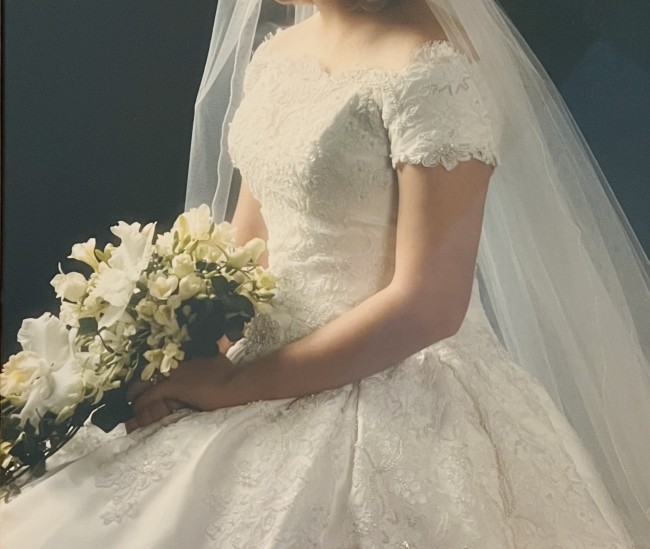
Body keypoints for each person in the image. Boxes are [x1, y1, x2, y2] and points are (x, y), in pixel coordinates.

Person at [2, 0, 649, 547]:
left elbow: (430, 303)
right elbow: (245, 251)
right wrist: (191, 364)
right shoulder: (278, 54)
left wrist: (236, 384)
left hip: (394, 375)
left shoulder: (433, 74)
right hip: (260, 357)